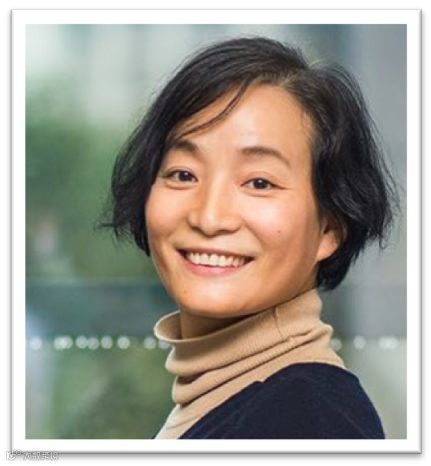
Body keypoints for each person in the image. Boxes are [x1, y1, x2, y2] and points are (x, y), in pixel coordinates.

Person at [99, 36, 398, 439]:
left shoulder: (310, 422)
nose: (209, 217)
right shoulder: (231, 398)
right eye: (183, 174)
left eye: (259, 182)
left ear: (329, 229)